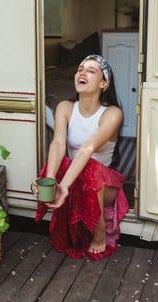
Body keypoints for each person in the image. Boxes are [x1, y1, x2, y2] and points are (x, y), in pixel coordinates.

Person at [33, 54, 129, 260]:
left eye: (91, 71)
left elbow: (88, 148)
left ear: (104, 83)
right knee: (56, 163)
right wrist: (50, 181)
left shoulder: (112, 113)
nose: (82, 73)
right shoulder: (65, 107)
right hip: (74, 179)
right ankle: (57, 195)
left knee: (90, 167)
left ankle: (100, 228)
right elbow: (58, 143)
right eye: (80, 69)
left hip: (104, 186)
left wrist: (64, 186)